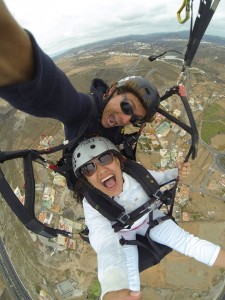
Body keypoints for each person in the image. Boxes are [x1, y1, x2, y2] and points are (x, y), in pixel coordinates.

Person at [0, 0, 160, 164]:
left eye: (134, 119)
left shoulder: (118, 124)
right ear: (112, 90)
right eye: (127, 107)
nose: (126, 120)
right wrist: (10, 45)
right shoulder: (82, 111)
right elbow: (50, 92)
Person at [72, 136, 225, 300]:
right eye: (89, 168)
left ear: (117, 161)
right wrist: (110, 292)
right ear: (87, 179)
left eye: (105, 158)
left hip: (150, 219)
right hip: (123, 236)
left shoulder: (134, 173)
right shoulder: (93, 202)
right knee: (129, 287)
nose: (101, 170)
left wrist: (177, 173)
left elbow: (158, 178)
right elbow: (105, 244)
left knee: (189, 243)